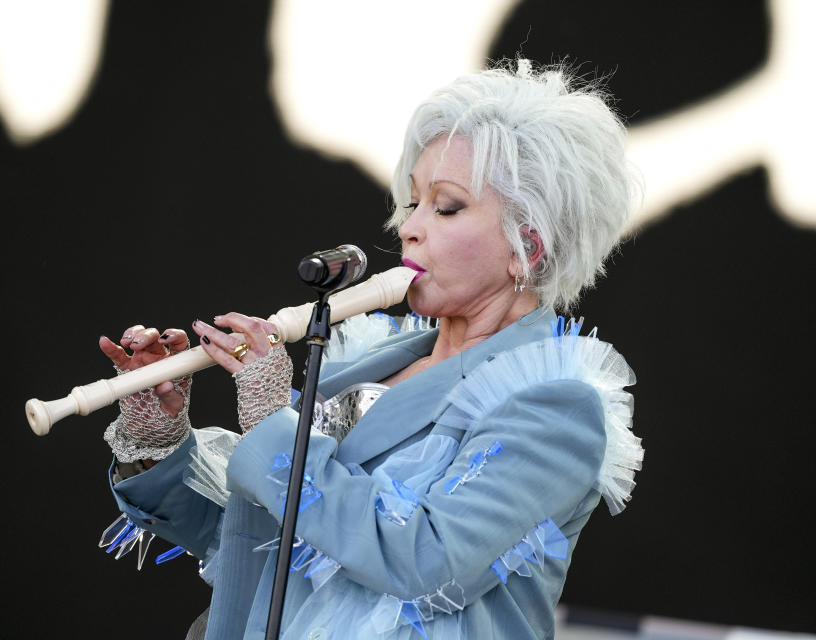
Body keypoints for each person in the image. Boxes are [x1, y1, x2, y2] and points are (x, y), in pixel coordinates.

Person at [97, 59, 643, 639]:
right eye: (413, 204)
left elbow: (422, 561)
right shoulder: (362, 362)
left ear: (527, 247)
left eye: (447, 206)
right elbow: (263, 539)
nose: (408, 228)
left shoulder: (554, 407)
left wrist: (270, 425)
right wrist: (161, 443)